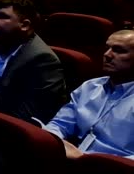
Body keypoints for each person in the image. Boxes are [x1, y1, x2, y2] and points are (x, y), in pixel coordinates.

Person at [0, 0, 66, 123]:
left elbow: (29, 116)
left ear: (25, 25)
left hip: (5, 128)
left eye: (2, 16)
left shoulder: (42, 60)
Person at [43, 30, 134, 160]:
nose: (107, 55)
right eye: (107, 48)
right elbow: (60, 124)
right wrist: (54, 142)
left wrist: (94, 162)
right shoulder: (89, 87)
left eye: (119, 50)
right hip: (71, 160)